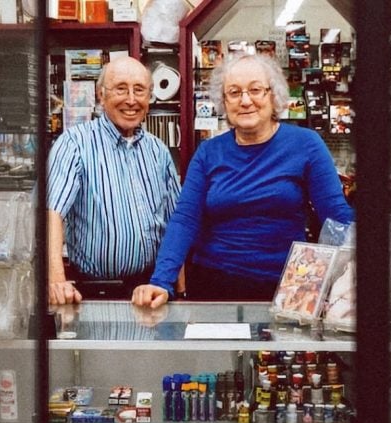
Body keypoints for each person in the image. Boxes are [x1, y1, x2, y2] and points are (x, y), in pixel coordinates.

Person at [132, 54, 353, 308]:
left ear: (273, 95)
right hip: (213, 286)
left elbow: (336, 217)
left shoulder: (306, 145)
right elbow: (185, 219)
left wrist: (357, 270)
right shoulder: (208, 152)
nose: (246, 100)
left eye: (256, 90)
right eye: (234, 92)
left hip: (288, 287)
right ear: (224, 102)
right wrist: (161, 281)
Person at [47, 56, 181, 305]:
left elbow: (178, 223)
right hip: (95, 292)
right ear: (101, 95)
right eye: (121, 89)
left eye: (139, 90)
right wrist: (56, 279)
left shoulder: (158, 151)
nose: (131, 100)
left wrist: (181, 291)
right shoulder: (75, 143)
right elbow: (52, 212)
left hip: (151, 290)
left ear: (149, 98)